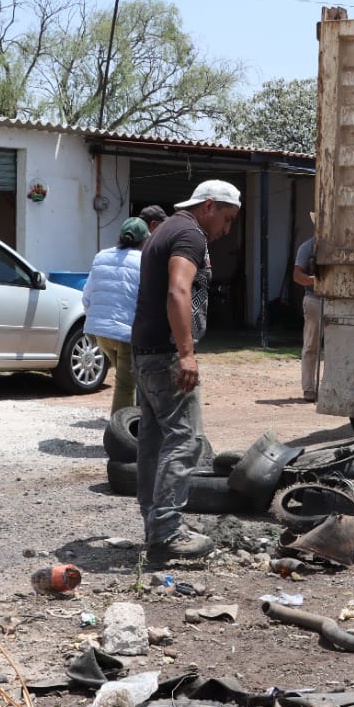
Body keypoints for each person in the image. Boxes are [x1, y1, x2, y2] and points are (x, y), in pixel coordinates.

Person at [130, 179, 242, 558]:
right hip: (165, 354)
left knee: (154, 443)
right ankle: (166, 532)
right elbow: (178, 290)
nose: (226, 230)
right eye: (226, 219)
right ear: (208, 206)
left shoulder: (166, 230)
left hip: (145, 350)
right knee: (186, 440)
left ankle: (156, 522)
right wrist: (186, 353)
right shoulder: (190, 234)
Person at [81, 217, 150, 413]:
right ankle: (120, 437)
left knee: (126, 378)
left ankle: (135, 424)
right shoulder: (144, 261)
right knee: (125, 386)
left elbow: (87, 296)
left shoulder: (101, 256)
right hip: (126, 334)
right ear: (144, 241)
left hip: (101, 334)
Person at [293, 213, 320, 402]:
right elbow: (297, 276)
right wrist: (317, 281)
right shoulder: (307, 247)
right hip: (315, 300)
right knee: (311, 346)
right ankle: (309, 388)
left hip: (335, 302)